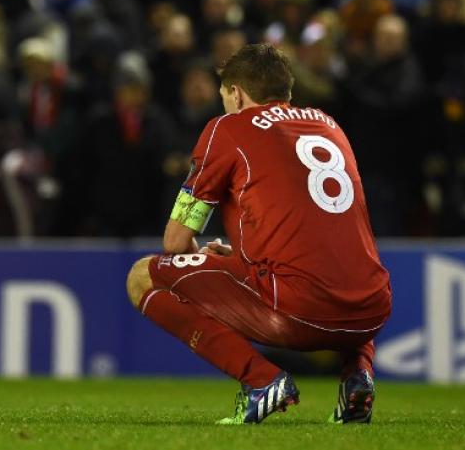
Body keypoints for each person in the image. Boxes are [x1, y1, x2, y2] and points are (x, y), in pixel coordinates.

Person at [125, 44, 391, 425]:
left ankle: (262, 381)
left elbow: (175, 242)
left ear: (236, 93)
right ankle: (358, 378)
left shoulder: (226, 128)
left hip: (299, 310)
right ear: (287, 92)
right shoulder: (328, 125)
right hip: (371, 310)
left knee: (142, 276)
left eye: (224, 96)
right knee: (342, 268)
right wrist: (233, 258)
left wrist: (203, 259)